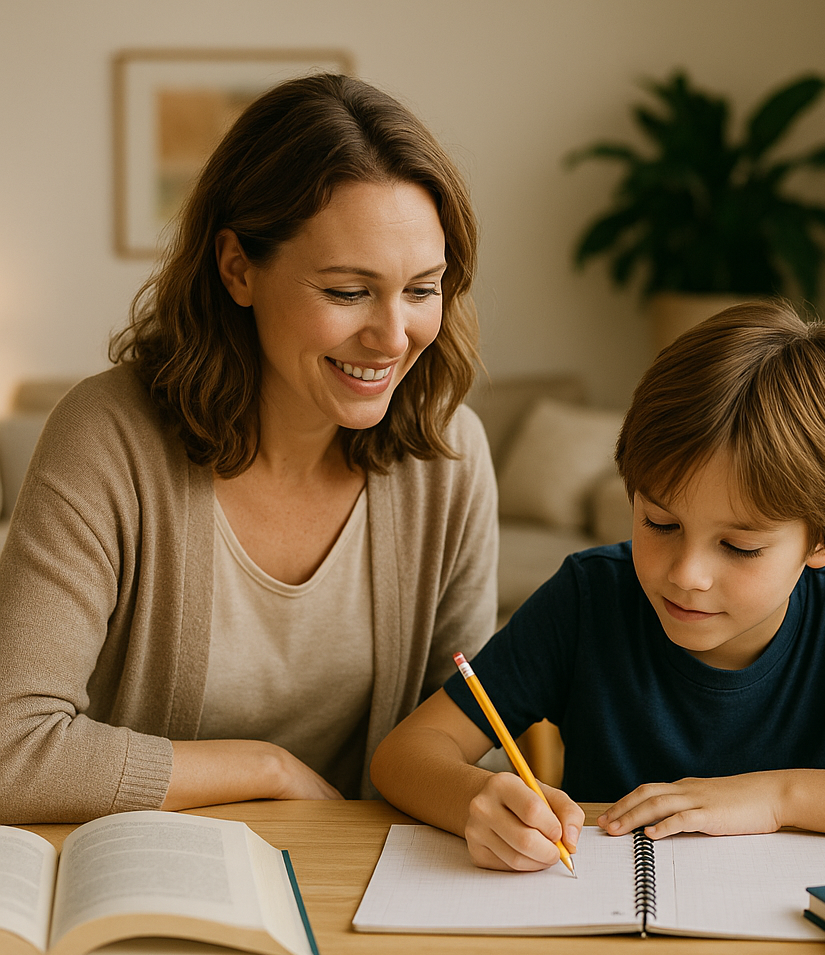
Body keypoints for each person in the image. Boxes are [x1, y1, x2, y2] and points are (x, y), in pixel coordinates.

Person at [0, 74, 497, 823]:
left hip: (349, 883)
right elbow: (14, 752)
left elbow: (454, 736)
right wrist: (265, 768)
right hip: (137, 875)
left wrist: (487, 797)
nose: (394, 338)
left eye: (422, 289)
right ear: (238, 269)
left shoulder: (449, 456)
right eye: (347, 291)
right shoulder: (106, 439)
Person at [371, 299, 825, 871]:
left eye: (739, 546)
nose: (685, 573)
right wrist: (476, 801)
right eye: (659, 522)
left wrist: (776, 797)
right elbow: (405, 755)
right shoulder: (588, 599)